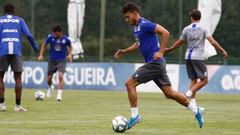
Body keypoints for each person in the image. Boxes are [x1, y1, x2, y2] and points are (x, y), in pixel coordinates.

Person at [114, 2, 204, 129]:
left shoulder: (145, 24)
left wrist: (161, 51)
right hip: (157, 64)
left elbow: (165, 32)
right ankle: (196, 110)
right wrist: (125, 51)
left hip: (154, 63)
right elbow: (138, 44)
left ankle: (135, 116)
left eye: (128, 16)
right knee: (169, 93)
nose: (126, 19)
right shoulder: (136, 27)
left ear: (134, 13)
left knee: (130, 84)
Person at [165, 9, 228, 106]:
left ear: (192, 18)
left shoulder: (186, 29)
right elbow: (212, 42)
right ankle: (187, 94)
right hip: (197, 57)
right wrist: (222, 50)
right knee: (205, 80)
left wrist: (170, 49)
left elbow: (179, 43)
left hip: (188, 57)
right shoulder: (203, 28)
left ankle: (193, 103)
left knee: (193, 80)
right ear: (200, 17)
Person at [0, 3, 39, 112]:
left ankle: (2, 105)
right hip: (16, 51)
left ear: (4, 11)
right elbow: (29, 35)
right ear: (13, 11)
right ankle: (17, 106)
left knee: (0, 78)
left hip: (2, 50)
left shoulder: (0, 20)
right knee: (18, 78)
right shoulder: (19, 20)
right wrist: (36, 48)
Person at [38, 25, 72, 101]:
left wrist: (69, 55)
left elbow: (70, 47)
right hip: (52, 60)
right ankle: (51, 87)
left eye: (56, 34)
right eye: (54, 33)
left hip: (62, 60)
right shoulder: (50, 37)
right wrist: (41, 55)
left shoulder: (65, 39)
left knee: (60, 76)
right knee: (49, 79)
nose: (55, 35)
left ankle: (59, 95)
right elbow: (44, 45)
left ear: (60, 32)